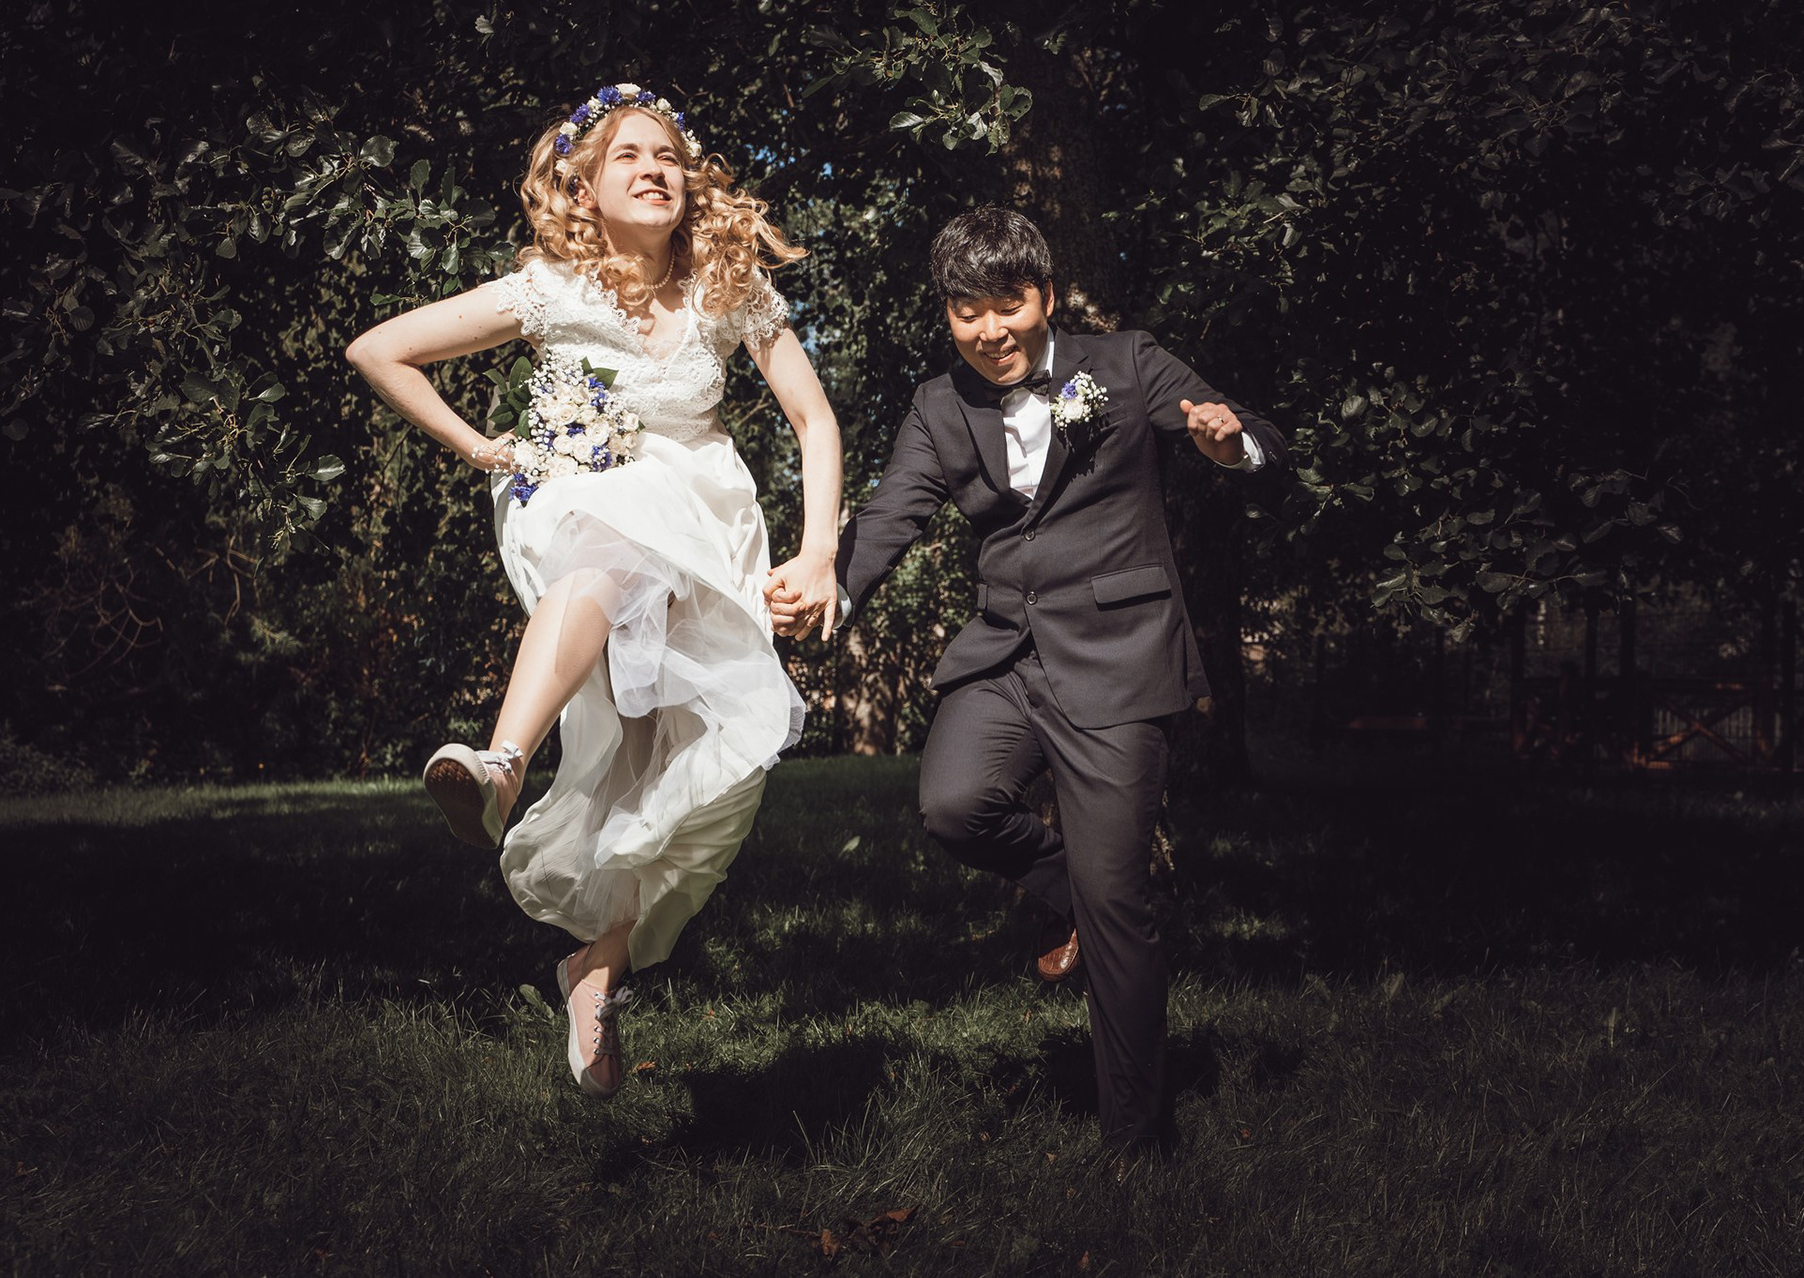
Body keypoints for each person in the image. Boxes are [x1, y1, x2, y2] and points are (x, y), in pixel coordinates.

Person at [346, 83, 841, 1101]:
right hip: (585, 508)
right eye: (628, 156)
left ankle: (595, 974)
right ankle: (502, 765)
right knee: (611, 552)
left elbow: (815, 421)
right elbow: (379, 350)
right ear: (582, 187)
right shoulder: (549, 290)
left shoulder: (728, 287)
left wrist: (819, 552)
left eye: (670, 156)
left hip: (708, 530)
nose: (655, 169)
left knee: (696, 768)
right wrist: (479, 446)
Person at [770, 206, 1283, 1155]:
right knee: (953, 806)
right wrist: (824, 584)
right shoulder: (938, 404)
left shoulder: (1126, 363)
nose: (990, 330)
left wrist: (1225, 443)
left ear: (1044, 296)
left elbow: (1252, 433)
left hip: (1120, 658)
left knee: (1120, 904)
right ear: (948, 315)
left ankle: (1137, 1142)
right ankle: (1065, 891)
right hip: (1003, 655)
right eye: (968, 312)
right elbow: (892, 513)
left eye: (1008, 305)